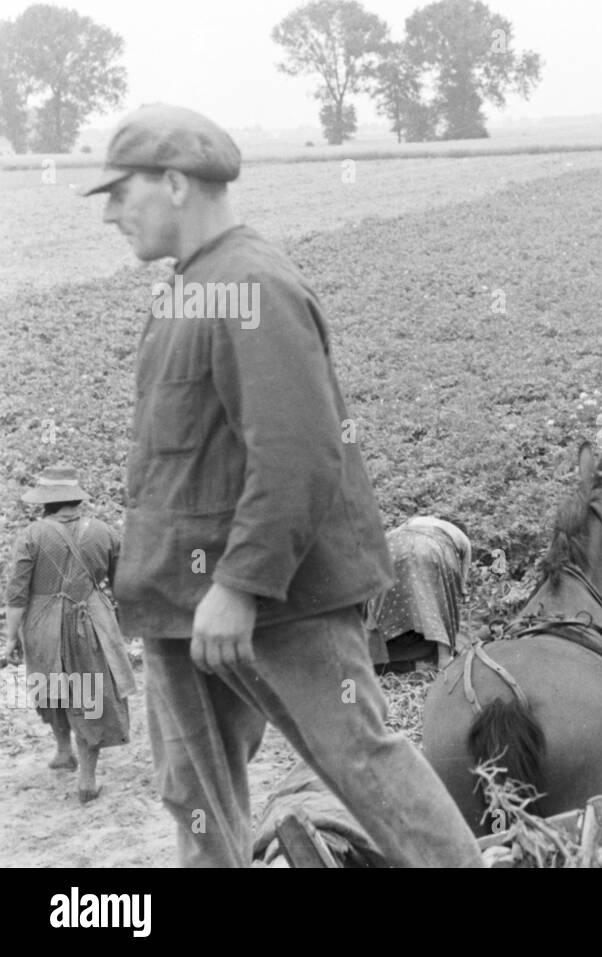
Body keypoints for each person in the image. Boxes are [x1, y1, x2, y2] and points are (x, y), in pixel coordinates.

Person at [83, 103, 482, 867]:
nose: (109, 214)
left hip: (274, 600)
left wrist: (239, 582)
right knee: (196, 802)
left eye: (119, 192)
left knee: (363, 765)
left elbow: (299, 453)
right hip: (180, 607)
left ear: (173, 183)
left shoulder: (251, 283)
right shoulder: (191, 287)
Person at [2, 465, 137, 803]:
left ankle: (63, 749)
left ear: (45, 502)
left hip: (42, 625)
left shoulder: (31, 536)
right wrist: (121, 624)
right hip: (91, 621)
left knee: (49, 687)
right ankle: (86, 778)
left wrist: (9, 638)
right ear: (76, 498)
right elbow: (123, 586)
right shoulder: (105, 532)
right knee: (89, 694)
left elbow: (17, 595)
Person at [366, 517, 472, 674]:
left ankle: (370, 656)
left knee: (379, 607)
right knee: (438, 601)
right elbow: (459, 590)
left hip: (389, 547)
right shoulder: (461, 540)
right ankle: (444, 662)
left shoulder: (418, 521)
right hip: (429, 550)